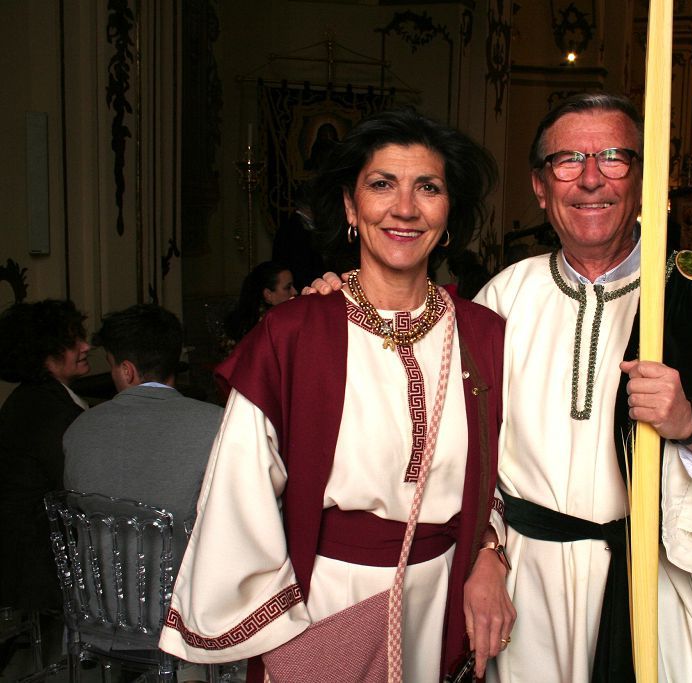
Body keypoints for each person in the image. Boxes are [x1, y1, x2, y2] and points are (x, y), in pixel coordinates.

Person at [310, 93, 692, 682]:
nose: (591, 180)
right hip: (524, 588)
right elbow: (440, 436)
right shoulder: (504, 300)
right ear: (541, 188)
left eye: (613, 158)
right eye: (568, 161)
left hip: (651, 589)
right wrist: (346, 305)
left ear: (640, 181)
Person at [159, 108, 514, 682]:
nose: (404, 208)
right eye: (381, 185)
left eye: (429, 188)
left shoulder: (484, 334)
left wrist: (490, 554)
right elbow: (237, 490)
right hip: (327, 602)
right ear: (351, 208)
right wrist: (280, 634)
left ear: (448, 217)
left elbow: (500, 472)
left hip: (445, 596)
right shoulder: (293, 332)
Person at [63, 304, 222, 531]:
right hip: (188, 564)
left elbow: (76, 509)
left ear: (127, 371)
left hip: (101, 564)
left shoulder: (80, 427)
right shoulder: (218, 423)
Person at [0, 300, 91, 612]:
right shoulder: (49, 412)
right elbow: (76, 486)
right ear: (45, 356)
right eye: (73, 342)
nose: (86, 346)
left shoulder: (32, 397)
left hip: (29, 546)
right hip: (35, 559)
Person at [222, 261, 296, 350]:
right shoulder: (268, 326)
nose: (295, 292)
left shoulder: (248, 320)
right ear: (268, 295)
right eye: (288, 288)